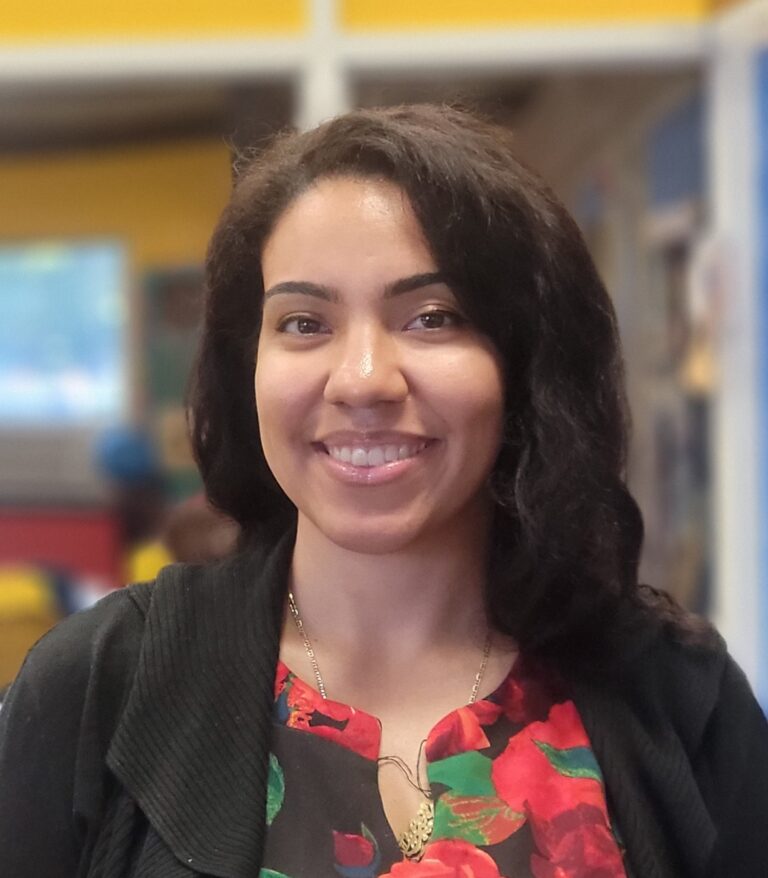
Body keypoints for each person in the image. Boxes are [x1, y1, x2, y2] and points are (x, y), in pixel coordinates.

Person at [0, 104, 766, 878]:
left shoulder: (679, 701)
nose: (362, 379)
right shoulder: (94, 689)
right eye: (304, 323)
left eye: (432, 318)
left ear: (525, 361)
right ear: (247, 367)